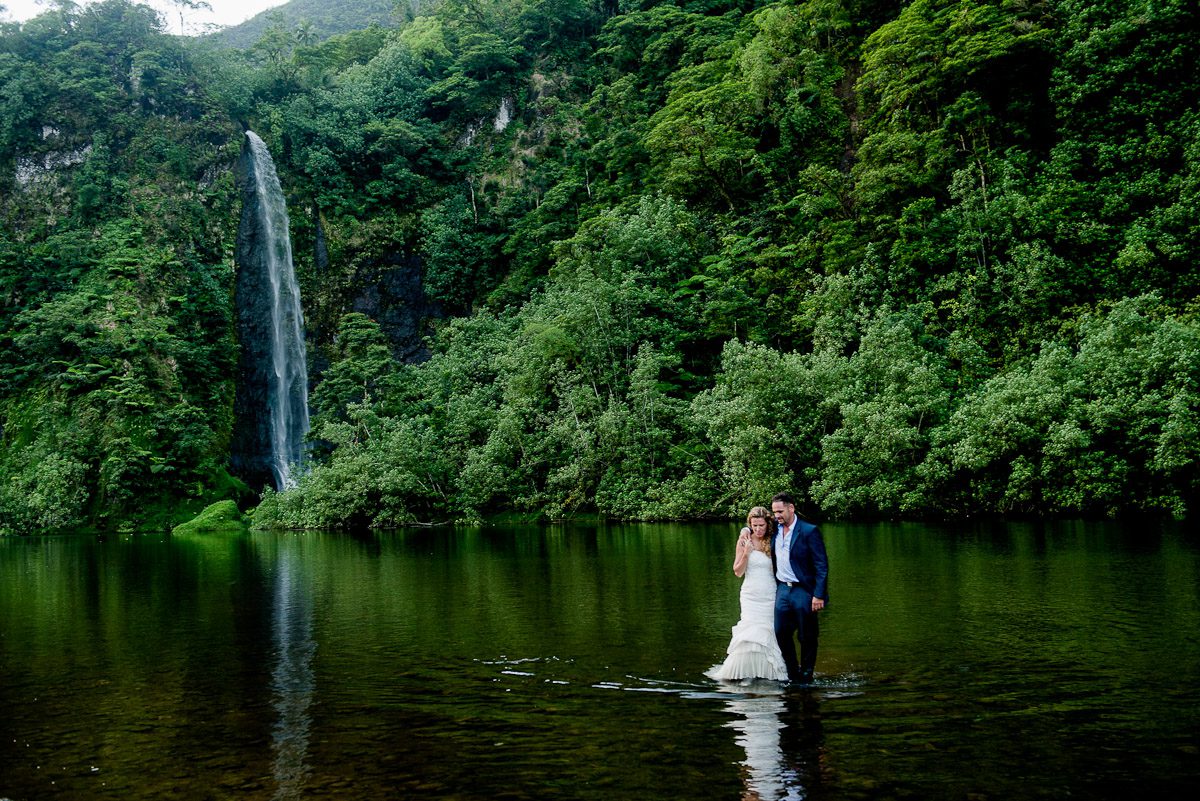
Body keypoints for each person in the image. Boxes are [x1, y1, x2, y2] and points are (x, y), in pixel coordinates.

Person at [707, 507, 788, 683]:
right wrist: (746, 553)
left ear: (768, 524)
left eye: (761, 525)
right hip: (750, 595)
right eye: (754, 525)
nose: (758, 529)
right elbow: (737, 571)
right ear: (749, 525)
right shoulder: (744, 540)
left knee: (768, 631)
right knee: (750, 630)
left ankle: (769, 672)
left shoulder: (773, 540)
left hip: (770, 594)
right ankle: (743, 670)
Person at [770, 492, 829, 686]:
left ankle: (807, 675)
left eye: (780, 511)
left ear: (791, 508)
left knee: (807, 635)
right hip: (782, 590)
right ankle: (793, 673)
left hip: (803, 589)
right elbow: (754, 526)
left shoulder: (809, 531)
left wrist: (818, 594)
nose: (777, 515)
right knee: (780, 632)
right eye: (774, 512)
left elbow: (821, 565)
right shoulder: (774, 530)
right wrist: (745, 530)